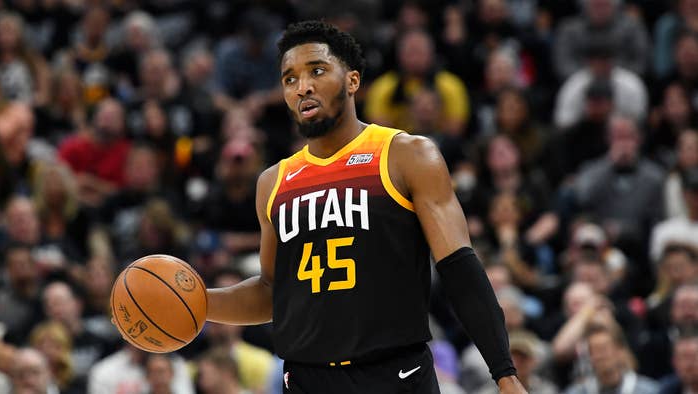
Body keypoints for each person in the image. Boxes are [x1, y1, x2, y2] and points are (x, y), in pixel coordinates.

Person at [205, 20, 525, 393]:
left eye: (317, 71)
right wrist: (197, 305)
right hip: (308, 379)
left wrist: (504, 372)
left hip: (394, 375)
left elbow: (459, 270)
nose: (302, 86)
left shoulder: (405, 154)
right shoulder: (272, 182)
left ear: (353, 81)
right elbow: (271, 292)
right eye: (289, 79)